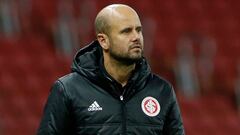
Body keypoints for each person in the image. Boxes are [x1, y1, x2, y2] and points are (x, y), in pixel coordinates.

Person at [37, 4, 185, 135]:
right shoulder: (68, 90)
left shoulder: (162, 90)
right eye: (126, 31)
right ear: (103, 41)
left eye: (138, 30)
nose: (136, 37)